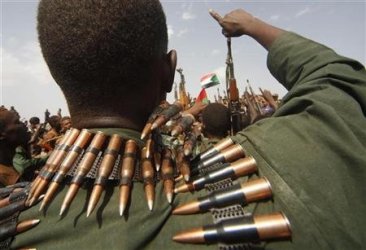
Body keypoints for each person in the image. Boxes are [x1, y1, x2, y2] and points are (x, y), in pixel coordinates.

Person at [10, 3, 366, 250]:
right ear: (169, 72)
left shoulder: (13, 221)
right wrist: (252, 25)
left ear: (60, 76)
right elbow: (338, 79)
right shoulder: (292, 167)